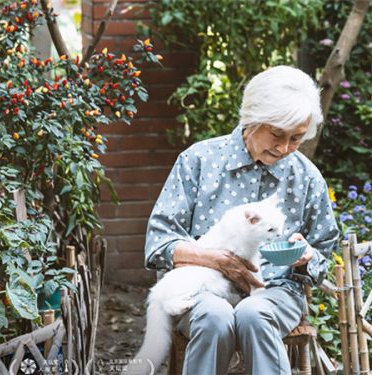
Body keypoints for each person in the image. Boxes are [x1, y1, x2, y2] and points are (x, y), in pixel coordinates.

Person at [144, 65, 340, 375]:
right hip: (202, 290)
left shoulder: (305, 176)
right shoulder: (198, 161)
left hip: (275, 292)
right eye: (277, 134)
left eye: (297, 139)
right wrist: (215, 260)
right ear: (252, 119)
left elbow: (323, 251)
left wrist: (307, 257)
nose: (285, 148)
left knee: (254, 312)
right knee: (213, 315)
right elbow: (159, 244)